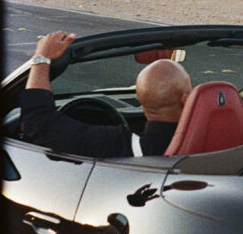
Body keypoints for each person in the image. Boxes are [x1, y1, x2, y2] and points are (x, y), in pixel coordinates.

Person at [19, 30, 192, 157]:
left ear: (140, 99)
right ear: (186, 101)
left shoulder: (122, 146)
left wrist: (41, 57)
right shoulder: (213, 145)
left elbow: (38, 122)